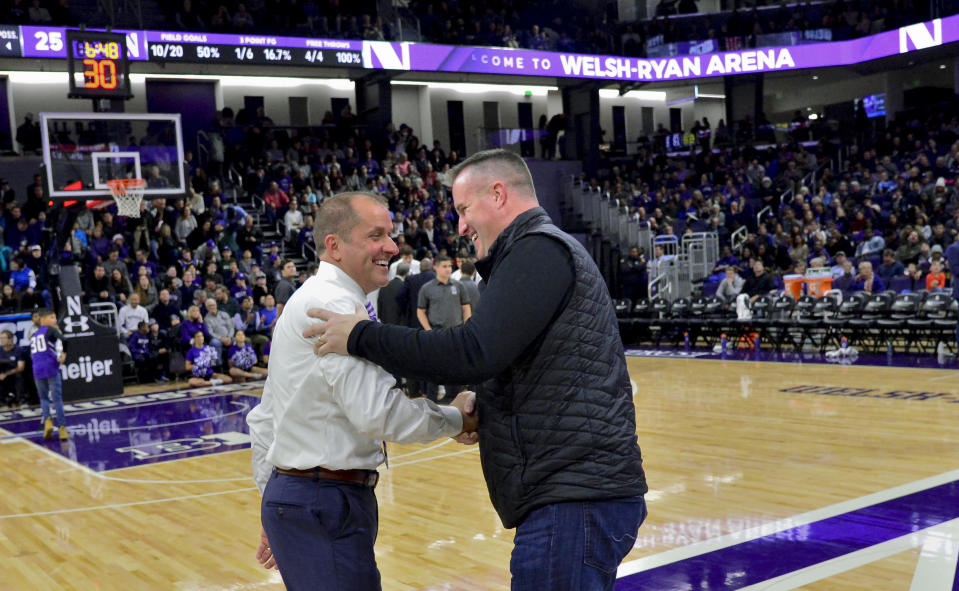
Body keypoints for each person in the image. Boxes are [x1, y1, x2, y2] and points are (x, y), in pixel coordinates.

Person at [304, 150, 647, 590]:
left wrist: (361, 336)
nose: (461, 226)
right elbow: (525, 362)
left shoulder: (538, 249)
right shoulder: (534, 252)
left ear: (499, 195)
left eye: (464, 210)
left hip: (574, 495)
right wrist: (485, 403)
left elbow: (474, 350)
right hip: (572, 491)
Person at [245, 192, 478, 590]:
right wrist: (456, 417)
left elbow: (267, 417)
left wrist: (275, 505)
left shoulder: (318, 296)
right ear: (334, 245)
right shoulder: (334, 304)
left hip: (304, 496)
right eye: (376, 235)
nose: (391, 245)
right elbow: (379, 413)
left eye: (390, 234)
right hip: (324, 498)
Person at [416, 255, 471, 401]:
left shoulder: (459, 286)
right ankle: (432, 400)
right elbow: (420, 311)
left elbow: (466, 307)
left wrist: (465, 326)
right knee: (434, 367)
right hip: (436, 331)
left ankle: (454, 399)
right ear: (436, 267)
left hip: (456, 332)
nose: (448, 269)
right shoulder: (427, 288)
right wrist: (428, 329)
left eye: (450, 266)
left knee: (455, 367)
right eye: (445, 266)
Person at [30, 309, 68, 441]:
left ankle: (47, 422)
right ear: (43, 319)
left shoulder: (34, 334)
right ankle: (62, 428)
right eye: (52, 317)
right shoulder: (50, 330)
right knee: (57, 399)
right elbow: (64, 340)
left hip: (37, 368)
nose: (55, 320)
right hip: (50, 366)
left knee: (43, 398)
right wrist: (64, 354)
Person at [0, 330, 26, 408]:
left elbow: (21, 367)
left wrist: (6, 374)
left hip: (14, 374)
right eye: (0, 338)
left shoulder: (18, 350)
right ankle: (2, 403)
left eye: (3, 338)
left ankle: (22, 400)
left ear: (11, 339)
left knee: (19, 376)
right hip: (2, 374)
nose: (1, 340)